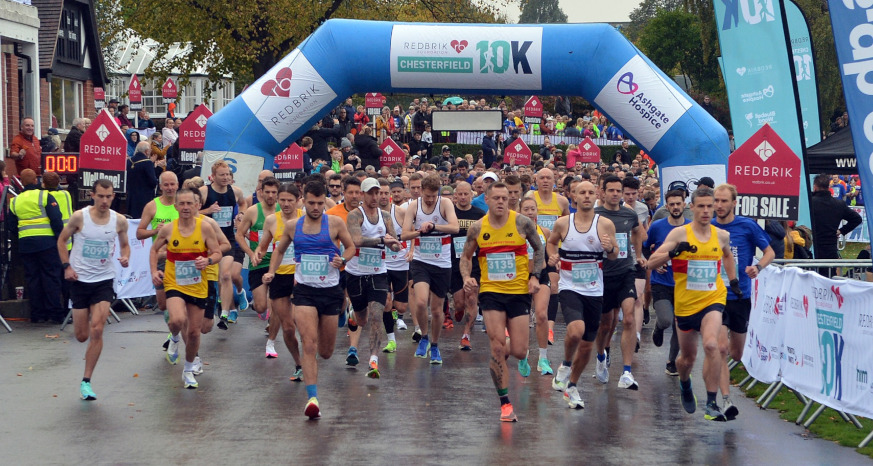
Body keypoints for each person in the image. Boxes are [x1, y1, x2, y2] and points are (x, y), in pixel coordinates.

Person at [647, 186, 741, 421]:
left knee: (711, 345)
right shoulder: (679, 234)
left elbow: (727, 255)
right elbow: (650, 263)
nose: (707, 210)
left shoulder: (722, 235)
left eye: (710, 206)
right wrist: (673, 253)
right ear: (692, 207)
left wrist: (733, 280)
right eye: (702, 206)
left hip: (713, 298)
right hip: (686, 304)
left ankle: (711, 403)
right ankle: (685, 383)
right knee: (686, 359)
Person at [264, 180, 355, 418]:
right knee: (309, 343)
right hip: (304, 291)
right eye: (311, 203)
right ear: (303, 201)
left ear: (325, 201)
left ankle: (343, 313)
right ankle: (312, 398)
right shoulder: (293, 226)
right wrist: (272, 271)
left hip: (331, 291)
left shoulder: (334, 223)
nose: (315, 207)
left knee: (325, 351)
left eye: (319, 203)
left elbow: (351, 247)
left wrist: (343, 260)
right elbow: (280, 249)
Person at [460, 181, 544, 422]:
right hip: (491, 291)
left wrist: (535, 276)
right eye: (495, 198)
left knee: (518, 351)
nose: (500, 202)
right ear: (486, 199)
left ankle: (503, 354)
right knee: (496, 346)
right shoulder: (478, 228)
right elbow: (465, 257)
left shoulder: (521, 222)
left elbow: (539, 250)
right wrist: (467, 277)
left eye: (504, 198)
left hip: (518, 292)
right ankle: (505, 404)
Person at [547, 180, 619, 409]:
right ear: (573, 196)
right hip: (570, 287)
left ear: (596, 195)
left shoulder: (605, 224)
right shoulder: (562, 223)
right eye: (582, 193)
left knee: (588, 345)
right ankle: (565, 364)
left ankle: (572, 387)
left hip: (594, 290)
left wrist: (610, 248)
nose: (586, 196)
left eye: (590, 192)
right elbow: (551, 243)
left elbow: (614, 255)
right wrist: (553, 257)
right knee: (575, 330)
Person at [56, 179, 130, 400]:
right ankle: (86, 327)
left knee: (98, 329)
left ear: (113, 197)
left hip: (104, 280)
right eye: (101, 196)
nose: (105, 201)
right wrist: (66, 266)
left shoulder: (119, 221)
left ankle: (86, 381)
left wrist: (126, 257)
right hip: (79, 280)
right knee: (81, 335)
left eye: (109, 197)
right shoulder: (80, 217)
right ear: (92, 195)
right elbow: (61, 241)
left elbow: (125, 244)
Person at [712, 184, 775, 419]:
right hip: (714, 296)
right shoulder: (707, 226)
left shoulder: (747, 226)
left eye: (724, 201)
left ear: (734, 203)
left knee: (736, 353)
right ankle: (726, 400)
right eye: (716, 200)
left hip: (740, 296)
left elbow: (770, 252)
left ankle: (720, 370)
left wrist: (757, 267)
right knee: (720, 347)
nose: (719, 205)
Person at [149, 189, 222, 389]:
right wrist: (154, 271)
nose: (186, 207)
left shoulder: (205, 228)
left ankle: (188, 369)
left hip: (198, 286)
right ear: (176, 206)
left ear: (197, 205)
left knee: (194, 333)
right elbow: (154, 250)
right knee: (177, 319)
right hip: (174, 283)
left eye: (190, 203)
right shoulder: (168, 229)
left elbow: (217, 253)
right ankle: (173, 337)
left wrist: (207, 260)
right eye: (182, 204)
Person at [344, 178, 402, 378]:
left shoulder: (385, 216)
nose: (376, 197)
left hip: (378, 272)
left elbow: (393, 241)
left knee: (377, 314)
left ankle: (373, 360)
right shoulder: (354, 215)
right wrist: (381, 240)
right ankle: (352, 312)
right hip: (356, 274)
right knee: (362, 319)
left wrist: (395, 245)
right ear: (362, 195)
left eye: (378, 193)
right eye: (371, 193)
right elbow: (357, 240)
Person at [593, 175, 645, 390]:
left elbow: (637, 232)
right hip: (603, 275)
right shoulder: (595, 215)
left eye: (618, 190)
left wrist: (639, 254)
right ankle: (600, 355)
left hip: (625, 271)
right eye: (611, 190)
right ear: (602, 192)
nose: (615, 194)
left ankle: (626, 372)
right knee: (606, 324)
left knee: (629, 318)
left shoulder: (629, 214)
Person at [401, 174, 460, 364]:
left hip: (442, 263)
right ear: (421, 192)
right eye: (427, 196)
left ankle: (434, 345)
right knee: (420, 302)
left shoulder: (445, 204)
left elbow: (455, 228)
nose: (429, 199)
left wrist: (434, 225)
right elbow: (404, 234)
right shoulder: (414, 206)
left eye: (433, 196)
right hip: (420, 261)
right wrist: (420, 231)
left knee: (436, 310)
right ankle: (423, 337)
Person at [255, 183, 304, 380]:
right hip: (280, 276)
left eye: (289, 200)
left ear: (298, 200)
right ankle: (299, 363)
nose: (285, 204)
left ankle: (309, 354)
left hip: (302, 275)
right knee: (289, 326)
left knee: (304, 322)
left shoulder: (305, 218)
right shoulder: (271, 221)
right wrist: (257, 256)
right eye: (281, 200)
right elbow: (264, 246)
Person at [8, 169, 65, 323]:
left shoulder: (15, 200)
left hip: (26, 245)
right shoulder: (45, 196)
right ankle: (55, 314)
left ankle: (38, 314)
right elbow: (56, 220)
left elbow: (11, 225)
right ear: (36, 181)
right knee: (51, 277)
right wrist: (60, 239)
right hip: (47, 243)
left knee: (33, 279)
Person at [643, 189, 689, 376]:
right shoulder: (657, 226)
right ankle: (659, 327)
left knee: (679, 325)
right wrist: (655, 263)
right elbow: (646, 249)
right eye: (672, 204)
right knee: (665, 319)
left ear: (684, 205)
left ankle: (671, 362)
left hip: (683, 283)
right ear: (667, 206)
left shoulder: (691, 227)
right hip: (661, 281)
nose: (676, 207)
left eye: (679, 203)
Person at [199, 161, 247, 329]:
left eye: (228, 174)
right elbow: (188, 212)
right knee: (217, 279)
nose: (226, 177)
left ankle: (225, 314)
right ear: (213, 176)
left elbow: (243, 203)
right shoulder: (204, 192)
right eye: (222, 175)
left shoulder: (235, 191)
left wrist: (241, 214)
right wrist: (207, 210)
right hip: (207, 243)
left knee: (226, 275)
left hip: (227, 240)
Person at [236, 177, 281, 326]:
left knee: (275, 298)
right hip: (258, 263)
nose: (270, 195)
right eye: (267, 192)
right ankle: (259, 306)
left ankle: (271, 324)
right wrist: (250, 253)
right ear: (261, 192)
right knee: (261, 306)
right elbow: (239, 234)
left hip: (279, 263)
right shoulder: (253, 211)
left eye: (273, 192)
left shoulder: (283, 210)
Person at [519, 197, 555, 375]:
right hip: (521, 277)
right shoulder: (515, 231)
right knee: (524, 318)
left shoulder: (545, 231)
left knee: (541, 315)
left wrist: (555, 259)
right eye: (526, 209)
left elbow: (550, 253)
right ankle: (524, 356)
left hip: (541, 275)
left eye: (533, 209)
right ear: (520, 212)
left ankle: (542, 358)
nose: (530, 212)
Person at [450, 182, 485, 351]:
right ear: (455, 195)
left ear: (471, 194)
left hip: (475, 261)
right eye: (460, 194)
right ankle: (458, 311)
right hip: (454, 262)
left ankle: (466, 335)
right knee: (459, 303)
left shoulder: (479, 214)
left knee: (471, 298)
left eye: (466, 194)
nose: (463, 197)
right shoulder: (450, 213)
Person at [810, 174, 862, 262]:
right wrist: (841, 231)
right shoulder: (839, 204)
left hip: (812, 245)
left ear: (815, 187)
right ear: (828, 187)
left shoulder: (810, 202)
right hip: (830, 247)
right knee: (829, 274)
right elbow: (857, 219)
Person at [386, 181, 411, 335]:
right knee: (386, 301)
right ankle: (389, 331)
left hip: (401, 262)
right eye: (392, 192)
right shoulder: (375, 213)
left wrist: (412, 251)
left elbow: (413, 233)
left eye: (398, 191)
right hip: (383, 264)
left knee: (401, 306)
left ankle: (398, 313)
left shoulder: (402, 212)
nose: (395, 194)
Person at [127, 141, 159, 218]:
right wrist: (158, 169)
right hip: (144, 198)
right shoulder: (147, 163)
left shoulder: (129, 161)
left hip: (131, 197)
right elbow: (152, 181)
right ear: (146, 151)